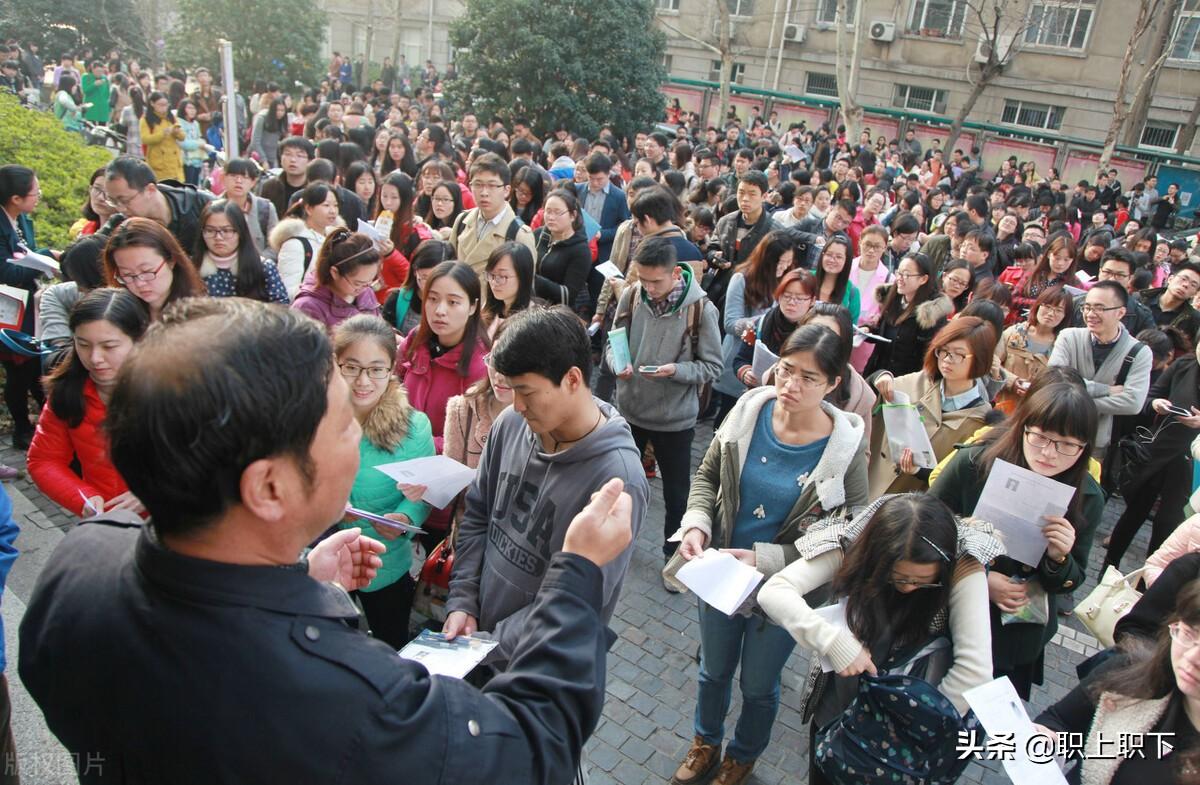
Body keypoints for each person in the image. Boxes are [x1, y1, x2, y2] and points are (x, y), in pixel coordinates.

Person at [18, 296, 636, 785]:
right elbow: (535, 749)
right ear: (269, 487)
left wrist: (295, 580)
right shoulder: (358, 704)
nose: (360, 437)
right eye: (343, 422)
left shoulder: (80, 560)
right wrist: (577, 577)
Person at [667, 324, 870, 785]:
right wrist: (697, 523)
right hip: (720, 573)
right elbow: (707, 475)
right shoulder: (747, 411)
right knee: (713, 670)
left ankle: (743, 755)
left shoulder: (843, 449)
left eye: (809, 378)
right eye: (786, 369)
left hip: (786, 589)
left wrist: (767, 560)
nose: (791, 386)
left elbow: (850, 530)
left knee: (758, 685)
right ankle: (705, 742)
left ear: (835, 383)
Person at [445, 306, 648, 672]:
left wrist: (488, 646)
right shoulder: (510, 424)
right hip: (476, 642)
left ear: (572, 379)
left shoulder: (617, 480)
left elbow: (580, 597)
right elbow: (478, 514)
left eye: (526, 391)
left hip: (537, 671)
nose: (517, 405)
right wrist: (462, 601)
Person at [758, 492, 997, 785]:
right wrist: (835, 644)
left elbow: (975, 671)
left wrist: (911, 725)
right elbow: (775, 591)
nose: (909, 588)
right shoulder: (855, 541)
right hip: (839, 710)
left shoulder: (963, 562)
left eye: (923, 582)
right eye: (898, 577)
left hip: (905, 737)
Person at [931, 381, 1103, 699]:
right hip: (944, 615)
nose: (1049, 453)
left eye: (1066, 444)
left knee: (975, 728)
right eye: (1040, 437)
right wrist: (978, 577)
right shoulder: (974, 463)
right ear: (1023, 427)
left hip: (1015, 635)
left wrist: (1058, 558)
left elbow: (1073, 578)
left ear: (1084, 448)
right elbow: (924, 527)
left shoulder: (1088, 496)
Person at [608, 236, 722, 567]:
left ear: (675, 275)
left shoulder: (701, 309)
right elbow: (614, 342)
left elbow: (713, 366)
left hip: (675, 418)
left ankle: (673, 557)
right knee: (620, 484)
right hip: (631, 409)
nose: (648, 288)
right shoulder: (632, 294)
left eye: (655, 281)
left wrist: (676, 371)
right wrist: (618, 364)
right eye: (642, 279)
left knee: (676, 494)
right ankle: (614, 545)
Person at [331, 315, 435, 647]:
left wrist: (405, 518)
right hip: (326, 559)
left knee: (391, 643)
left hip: (385, 560)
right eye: (351, 367)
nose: (363, 381)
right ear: (335, 365)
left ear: (392, 369)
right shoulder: (313, 416)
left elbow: (422, 493)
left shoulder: (413, 425)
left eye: (376, 369)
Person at [1034, 579, 1200, 784]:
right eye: (1189, 633)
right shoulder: (1131, 672)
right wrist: (1047, 739)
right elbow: (1061, 721)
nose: (1193, 657)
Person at [27, 289, 148, 517]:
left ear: (139, 340)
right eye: (83, 344)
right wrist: (82, 497)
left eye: (109, 346)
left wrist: (154, 492)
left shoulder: (174, 390)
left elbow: (209, 460)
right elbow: (44, 459)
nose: (94, 358)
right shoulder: (67, 392)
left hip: (174, 527)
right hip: (107, 526)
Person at [868, 316, 996, 497]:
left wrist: (919, 471)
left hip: (908, 508)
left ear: (981, 358)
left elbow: (958, 481)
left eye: (958, 354)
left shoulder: (981, 420)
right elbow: (872, 394)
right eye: (943, 351)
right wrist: (880, 377)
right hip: (870, 486)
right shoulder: (922, 380)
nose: (946, 360)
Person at [1104, 343, 1200, 571]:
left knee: (1167, 523)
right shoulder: (1184, 365)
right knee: (1134, 513)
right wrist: (1156, 405)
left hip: (1189, 462)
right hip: (1157, 453)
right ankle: (1108, 568)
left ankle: (1147, 580)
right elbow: (1150, 397)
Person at [1048, 280, 1152, 456]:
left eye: (1099, 308)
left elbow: (1133, 402)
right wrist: (1107, 390)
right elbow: (1054, 381)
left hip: (1097, 442)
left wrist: (1075, 400)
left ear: (1120, 312)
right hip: (1055, 430)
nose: (1090, 314)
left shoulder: (1139, 352)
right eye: (1086, 307)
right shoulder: (1068, 337)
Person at [397, 261, 488, 451]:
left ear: (472, 306)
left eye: (453, 302)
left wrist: (418, 444)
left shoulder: (480, 365)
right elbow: (390, 385)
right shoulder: (415, 339)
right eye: (432, 299)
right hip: (397, 449)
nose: (440, 311)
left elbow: (473, 437)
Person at [712, 231, 798, 423]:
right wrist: (763, 322)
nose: (784, 268)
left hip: (771, 363)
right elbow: (730, 323)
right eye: (780, 262)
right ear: (766, 259)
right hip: (740, 359)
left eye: (788, 262)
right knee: (729, 417)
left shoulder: (785, 280)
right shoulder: (742, 278)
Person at [0, 165, 52, 454]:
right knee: (19, 370)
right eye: (35, 192)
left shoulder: (21, 220)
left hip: (27, 306)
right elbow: (5, 272)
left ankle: (43, 425)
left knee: (33, 367)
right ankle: (22, 428)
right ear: (16, 198)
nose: (39, 197)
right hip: (8, 310)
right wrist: (44, 259)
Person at [863, 252, 954, 377]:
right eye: (898, 273)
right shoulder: (893, 298)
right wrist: (867, 330)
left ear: (923, 279)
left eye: (906, 274)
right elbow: (885, 332)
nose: (899, 278)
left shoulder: (931, 314)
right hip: (878, 373)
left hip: (906, 380)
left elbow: (928, 355)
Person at [447, 153, 537, 277]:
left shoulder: (518, 234)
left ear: (506, 190)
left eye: (492, 185)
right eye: (478, 185)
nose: (484, 192)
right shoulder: (462, 221)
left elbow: (524, 287)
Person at [103, 156, 215, 254]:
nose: (120, 208)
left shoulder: (203, 205)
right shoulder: (120, 224)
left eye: (125, 200)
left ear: (150, 190)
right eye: (113, 201)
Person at [103, 216, 207, 322]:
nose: (140, 283)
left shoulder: (199, 316)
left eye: (147, 271)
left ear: (171, 260)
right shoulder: (116, 316)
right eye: (127, 274)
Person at [194, 199, 289, 304]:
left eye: (226, 230)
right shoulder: (191, 268)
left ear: (240, 231)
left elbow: (282, 309)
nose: (218, 237)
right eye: (210, 230)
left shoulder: (264, 268)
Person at [710, 171, 774, 319]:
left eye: (752, 194)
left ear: (764, 196)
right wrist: (714, 256)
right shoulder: (726, 221)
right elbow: (713, 246)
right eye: (741, 193)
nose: (745, 199)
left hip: (753, 292)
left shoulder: (773, 229)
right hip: (722, 286)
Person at [291, 229, 382, 331]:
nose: (365, 288)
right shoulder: (307, 307)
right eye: (358, 283)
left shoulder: (366, 292)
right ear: (335, 272)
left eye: (370, 281)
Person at [995, 285, 1071, 405]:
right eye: (1047, 306)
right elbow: (992, 364)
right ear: (1038, 306)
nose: (1051, 313)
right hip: (1005, 404)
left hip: (1039, 409)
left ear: (1065, 315)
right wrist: (1012, 381)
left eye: (1059, 310)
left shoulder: (1063, 345)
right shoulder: (1014, 333)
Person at [271, 183, 341, 299]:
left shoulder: (336, 239)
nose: (333, 211)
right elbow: (288, 291)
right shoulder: (295, 244)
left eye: (336, 205)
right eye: (326, 205)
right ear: (308, 208)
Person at [533, 190, 591, 309]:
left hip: (557, 314)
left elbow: (568, 296)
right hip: (531, 306)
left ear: (572, 216)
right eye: (548, 211)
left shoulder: (580, 250)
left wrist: (532, 279)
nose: (551, 217)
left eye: (557, 212)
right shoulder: (539, 235)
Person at [848, 224, 893, 370]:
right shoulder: (846, 266)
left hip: (864, 338)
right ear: (860, 241)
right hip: (840, 330)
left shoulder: (889, 279)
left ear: (884, 248)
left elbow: (886, 310)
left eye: (877, 246)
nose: (871, 250)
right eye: (867, 244)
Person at [384, 239, 451, 336]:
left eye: (437, 279)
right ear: (415, 271)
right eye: (425, 277)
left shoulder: (455, 305)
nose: (430, 285)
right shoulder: (397, 300)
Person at [577, 152, 630, 264]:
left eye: (600, 179)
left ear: (608, 174)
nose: (595, 183)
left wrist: (602, 234)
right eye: (591, 178)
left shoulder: (618, 196)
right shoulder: (577, 190)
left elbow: (624, 227)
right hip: (579, 248)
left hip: (603, 254)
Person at [220, 158, 278, 258]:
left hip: (257, 267)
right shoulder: (211, 206)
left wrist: (257, 262)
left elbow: (275, 245)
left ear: (253, 182)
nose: (238, 181)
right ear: (223, 178)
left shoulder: (265, 208)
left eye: (245, 177)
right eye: (233, 176)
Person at [482, 242, 538, 339]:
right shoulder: (489, 306)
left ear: (523, 277)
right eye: (491, 275)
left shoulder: (531, 320)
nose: (494, 282)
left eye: (502, 276)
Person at [259, 137, 316, 218]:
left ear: (310, 161)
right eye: (288, 154)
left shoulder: (315, 189)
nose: (293, 160)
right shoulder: (269, 187)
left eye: (299, 155)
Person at [138, 90, 185, 183]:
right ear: (152, 103)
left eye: (166, 105)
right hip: (158, 163)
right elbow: (145, 139)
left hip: (174, 163)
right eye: (160, 104)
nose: (164, 108)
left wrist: (176, 132)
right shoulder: (146, 119)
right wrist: (163, 133)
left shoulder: (171, 117)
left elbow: (182, 137)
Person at [812, 237, 860, 322]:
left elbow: (851, 327)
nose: (832, 260)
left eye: (838, 257)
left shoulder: (852, 292)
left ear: (847, 261)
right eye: (829, 254)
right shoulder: (807, 278)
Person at [250, 97, 288, 168]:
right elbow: (255, 141)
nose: (280, 113)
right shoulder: (262, 118)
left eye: (282, 110)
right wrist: (263, 160)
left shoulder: (282, 121)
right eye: (277, 110)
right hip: (258, 157)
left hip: (273, 158)